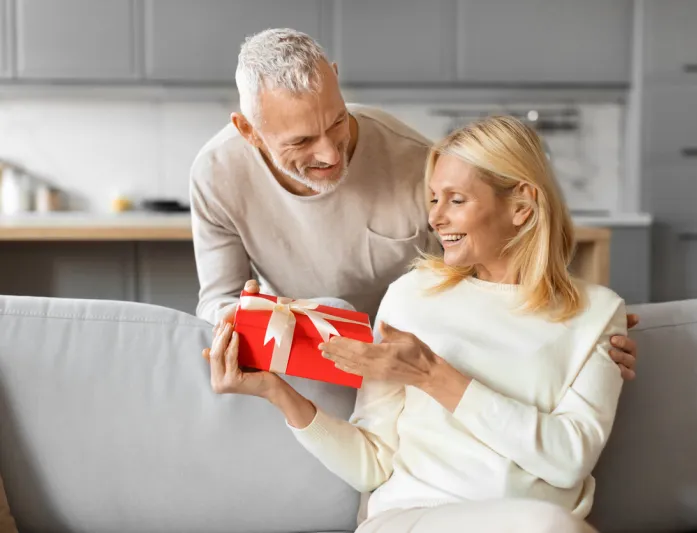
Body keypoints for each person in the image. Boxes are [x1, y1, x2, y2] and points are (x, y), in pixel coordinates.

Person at [204, 115, 629, 533]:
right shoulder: (412, 296)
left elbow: (568, 458)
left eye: (456, 200)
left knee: (548, 525)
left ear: (521, 205)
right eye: (433, 199)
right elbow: (372, 463)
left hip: (534, 522)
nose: (435, 218)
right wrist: (275, 392)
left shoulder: (598, 314)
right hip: (412, 517)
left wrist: (432, 375)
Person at [189, 27, 640, 380]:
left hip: (413, 353)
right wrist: (241, 319)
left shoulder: (414, 160)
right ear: (248, 131)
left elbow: (492, 271)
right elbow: (217, 300)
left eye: (338, 122)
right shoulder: (216, 174)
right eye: (302, 141)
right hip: (302, 353)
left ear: (338, 81)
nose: (330, 153)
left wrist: (577, 329)